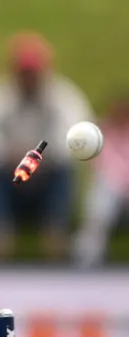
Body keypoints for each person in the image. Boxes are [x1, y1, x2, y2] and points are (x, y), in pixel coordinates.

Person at [0, 31, 93, 261]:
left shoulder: (62, 97)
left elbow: (78, 134)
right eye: (23, 73)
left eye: (33, 73)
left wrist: (43, 156)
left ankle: (55, 239)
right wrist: (3, 153)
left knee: (64, 173)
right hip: (8, 176)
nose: (29, 79)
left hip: (48, 176)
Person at [72, 94, 129, 268]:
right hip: (110, 187)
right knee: (102, 193)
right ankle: (87, 258)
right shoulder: (97, 134)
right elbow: (100, 165)